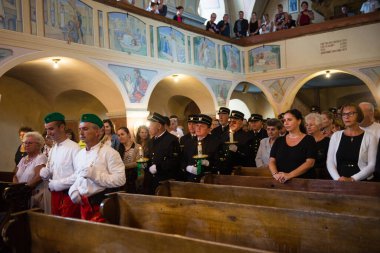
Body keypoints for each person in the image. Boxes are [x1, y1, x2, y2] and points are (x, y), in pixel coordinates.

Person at [69, 114, 126, 222]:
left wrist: (95, 175)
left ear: (98, 132)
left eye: (85, 129)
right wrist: (74, 190)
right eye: (80, 129)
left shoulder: (110, 153)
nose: (81, 133)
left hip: (101, 204)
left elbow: (120, 180)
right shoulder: (79, 154)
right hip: (83, 204)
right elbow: (78, 177)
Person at [39, 112, 81, 218]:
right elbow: (52, 168)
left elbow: (79, 175)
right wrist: (46, 171)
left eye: (51, 129)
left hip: (69, 194)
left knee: (68, 228)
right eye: (47, 129)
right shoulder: (53, 148)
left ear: (62, 127)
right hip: (55, 194)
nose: (48, 133)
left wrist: (59, 184)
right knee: (57, 226)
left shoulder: (74, 148)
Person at [327, 103, 376, 181]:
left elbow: (372, 165)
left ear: (359, 115)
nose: (346, 117)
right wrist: (338, 179)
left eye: (351, 113)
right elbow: (330, 162)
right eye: (344, 114)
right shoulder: (336, 136)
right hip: (339, 180)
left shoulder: (370, 137)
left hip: (362, 181)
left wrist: (352, 179)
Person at [269, 109, 317, 183]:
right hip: (281, 181)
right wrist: (275, 174)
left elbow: (310, 163)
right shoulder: (279, 140)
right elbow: (272, 160)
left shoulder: (309, 139)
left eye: (289, 120)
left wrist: (289, 175)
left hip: (304, 183)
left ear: (299, 121)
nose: (286, 123)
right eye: (284, 120)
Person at [144, 112, 180, 194]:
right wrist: (146, 165)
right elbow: (148, 157)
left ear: (159, 126)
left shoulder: (171, 140)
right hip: (151, 179)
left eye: (151, 125)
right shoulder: (151, 141)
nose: (148, 128)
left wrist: (158, 167)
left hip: (164, 179)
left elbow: (174, 160)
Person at [14, 132, 48, 211]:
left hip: (34, 196)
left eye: (29, 143)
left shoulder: (41, 158)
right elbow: (15, 176)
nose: (26, 145)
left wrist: (24, 189)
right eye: (25, 143)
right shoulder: (23, 159)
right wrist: (16, 189)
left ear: (38, 145)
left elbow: (39, 177)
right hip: (21, 195)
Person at [182, 114, 222, 182]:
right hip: (190, 178)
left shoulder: (215, 143)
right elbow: (183, 159)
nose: (198, 128)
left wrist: (208, 163)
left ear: (209, 129)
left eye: (202, 126)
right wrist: (187, 167)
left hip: (207, 179)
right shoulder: (188, 142)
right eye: (197, 125)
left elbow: (219, 163)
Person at [305, 113, 330, 179]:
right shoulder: (304, 141)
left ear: (319, 126)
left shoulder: (328, 141)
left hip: (323, 175)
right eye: (307, 125)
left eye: (311, 125)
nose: (308, 127)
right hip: (306, 174)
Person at [117, 127, 142, 193]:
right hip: (122, 178)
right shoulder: (119, 148)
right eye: (118, 135)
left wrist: (123, 166)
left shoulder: (138, 147)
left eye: (122, 134)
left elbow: (139, 163)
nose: (120, 137)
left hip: (133, 177)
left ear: (128, 135)